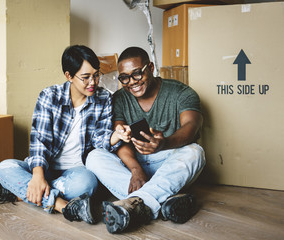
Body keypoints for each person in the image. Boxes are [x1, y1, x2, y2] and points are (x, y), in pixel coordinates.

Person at [0, 45, 124, 224]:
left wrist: (114, 136)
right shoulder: (50, 96)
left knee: (87, 185)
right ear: (69, 76)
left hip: (77, 172)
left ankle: (20, 193)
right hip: (47, 169)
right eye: (85, 77)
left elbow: (99, 139)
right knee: (5, 167)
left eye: (96, 75)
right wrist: (38, 176)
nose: (92, 82)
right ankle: (62, 206)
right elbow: (39, 141)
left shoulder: (103, 98)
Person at [86, 46, 206, 233]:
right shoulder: (119, 98)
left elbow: (192, 126)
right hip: (134, 165)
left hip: (167, 161)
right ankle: (164, 200)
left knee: (195, 152)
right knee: (94, 157)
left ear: (150, 67)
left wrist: (164, 143)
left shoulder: (181, 93)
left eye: (137, 74)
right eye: (124, 77)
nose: (131, 82)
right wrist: (135, 168)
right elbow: (119, 140)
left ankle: (136, 203)